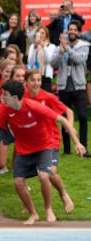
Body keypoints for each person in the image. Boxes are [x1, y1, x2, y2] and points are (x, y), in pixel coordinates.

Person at [0, 80, 86, 225]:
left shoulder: (34, 106)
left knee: (44, 175)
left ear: (15, 98)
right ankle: (33, 214)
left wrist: (77, 143)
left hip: (43, 146)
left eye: (5, 95)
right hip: (23, 149)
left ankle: (48, 209)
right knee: (18, 182)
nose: (1, 98)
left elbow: (63, 120)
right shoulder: (4, 108)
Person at [23, 69, 75, 213]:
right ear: (26, 82)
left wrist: (69, 127)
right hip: (31, 141)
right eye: (33, 80)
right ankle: (26, 204)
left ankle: (63, 194)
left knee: (48, 173)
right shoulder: (23, 97)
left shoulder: (48, 97)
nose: (36, 83)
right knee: (23, 175)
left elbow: (68, 111)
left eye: (39, 80)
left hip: (50, 139)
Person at [51, 20, 90, 156]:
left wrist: (67, 48)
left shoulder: (84, 46)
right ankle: (67, 149)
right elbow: (53, 64)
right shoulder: (59, 47)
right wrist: (61, 51)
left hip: (78, 86)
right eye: (70, 29)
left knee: (83, 117)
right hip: (63, 87)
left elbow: (79, 60)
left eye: (75, 29)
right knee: (64, 118)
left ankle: (83, 148)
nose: (72, 31)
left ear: (79, 32)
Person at [27, 26, 56, 92]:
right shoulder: (32, 46)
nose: (40, 35)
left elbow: (49, 60)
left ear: (46, 35)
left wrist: (44, 47)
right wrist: (34, 48)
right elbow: (30, 62)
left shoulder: (51, 46)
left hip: (46, 75)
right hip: (35, 75)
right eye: (39, 33)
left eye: (42, 33)